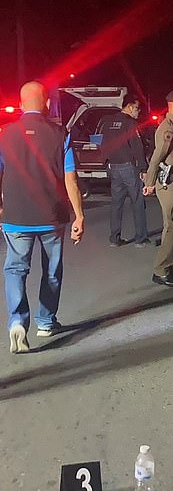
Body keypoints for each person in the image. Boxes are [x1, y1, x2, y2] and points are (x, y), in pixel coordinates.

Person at [0, 81, 85, 353]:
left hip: (15, 216)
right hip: (52, 215)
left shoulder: (4, 134)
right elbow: (71, 179)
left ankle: (17, 321)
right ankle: (46, 322)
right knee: (51, 271)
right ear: (47, 103)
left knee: (15, 269)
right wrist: (78, 216)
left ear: (21, 103)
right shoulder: (62, 134)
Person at [144, 89, 173, 287]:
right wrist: (149, 183)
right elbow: (156, 157)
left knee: (172, 227)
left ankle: (167, 266)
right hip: (169, 184)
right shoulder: (168, 129)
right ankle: (162, 269)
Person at [99, 94, 149, 247]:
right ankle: (140, 238)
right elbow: (137, 146)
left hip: (114, 167)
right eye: (137, 108)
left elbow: (102, 143)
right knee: (138, 202)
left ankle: (115, 238)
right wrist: (143, 168)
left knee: (116, 203)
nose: (138, 112)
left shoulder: (107, 122)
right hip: (129, 167)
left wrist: (106, 160)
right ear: (129, 106)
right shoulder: (130, 123)